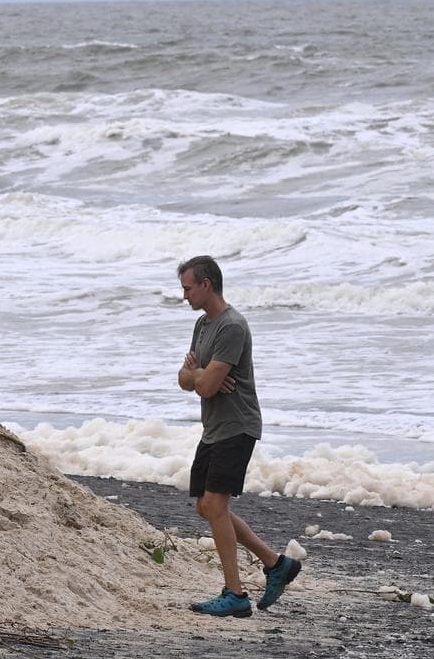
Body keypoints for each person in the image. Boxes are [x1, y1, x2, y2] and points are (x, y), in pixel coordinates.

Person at [176, 255, 300, 617]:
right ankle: (275, 564)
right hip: (214, 427)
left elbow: (206, 385)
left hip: (238, 426)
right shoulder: (202, 325)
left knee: (215, 506)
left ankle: (235, 594)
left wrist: (199, 377)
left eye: (187, 288)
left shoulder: (232, 326)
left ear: (206, 285)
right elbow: (188, 380)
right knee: (205, 507)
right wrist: (200, 376)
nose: (184, 295)